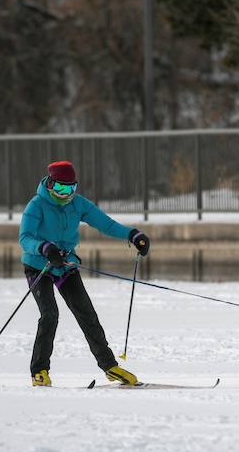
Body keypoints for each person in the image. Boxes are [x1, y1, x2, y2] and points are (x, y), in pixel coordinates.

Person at [18, 160, 151, 387]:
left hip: (65, 265)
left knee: (87, 314)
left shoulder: (78, 204)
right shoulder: (36, 205)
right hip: (38, 265)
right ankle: (39, 371)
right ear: (50, 184)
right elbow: (25, 238)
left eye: (71, 189)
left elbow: (106, 224)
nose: (66, 194)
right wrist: (44, 248)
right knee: (50, 315)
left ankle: (110, 367)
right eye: (61, 188)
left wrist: (132, 235)